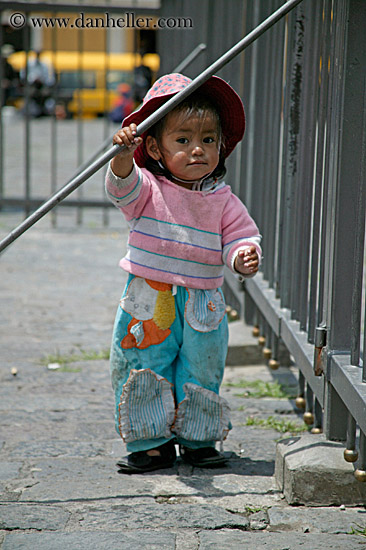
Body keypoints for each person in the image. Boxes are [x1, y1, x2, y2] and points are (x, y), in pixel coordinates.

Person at [105, 73, 261, 474]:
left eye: (208, 140)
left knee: (202, 367)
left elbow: (241, 235)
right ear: (155, 147)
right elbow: (120, 186)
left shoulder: (223, 200)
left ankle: (197, 437)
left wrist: (243, 254)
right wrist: (122, 155)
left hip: (202, 303)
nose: (197, 150)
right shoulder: (147, 190)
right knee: (143, 362)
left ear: (221, 147)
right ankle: (151, 441)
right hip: (148, 295)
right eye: (183, 140)